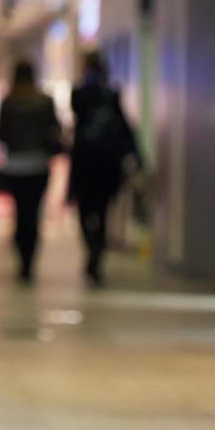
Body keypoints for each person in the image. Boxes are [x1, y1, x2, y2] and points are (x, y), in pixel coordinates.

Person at [69, 50, 140, 285]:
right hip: (105, 164)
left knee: (86, 211)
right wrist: (135, 154)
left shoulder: (80, 94)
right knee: (100, 211)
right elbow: (124, 126)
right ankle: (96, 251)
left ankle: (93, 250)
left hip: (87, 162)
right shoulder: (109, 94)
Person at [0, 61, 64, 283]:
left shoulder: (8, 102)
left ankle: (22, 259)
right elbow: (55, 131)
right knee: (33, 214)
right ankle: (28, 262)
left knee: (20, 214)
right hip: (38, 165)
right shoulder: (45, 102)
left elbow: (0, 135)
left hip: (15, 165)